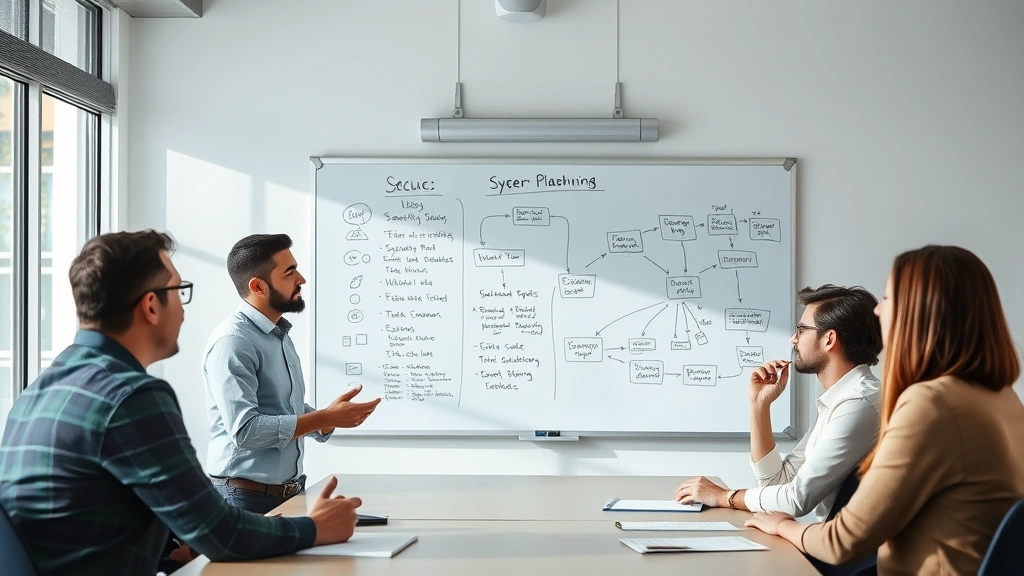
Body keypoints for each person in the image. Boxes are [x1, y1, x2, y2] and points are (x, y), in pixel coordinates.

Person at [0, 230, 362, 575]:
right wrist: (315, 528)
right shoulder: (132, 396)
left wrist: (169, 542)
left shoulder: (42, 389)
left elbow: (87, 512)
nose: (185, 309)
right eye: (180, 290)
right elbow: (222, 534)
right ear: (151, 306)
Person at [746, 245, 1024, 575]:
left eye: (888, 299)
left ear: (921, 310)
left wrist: (783, 527)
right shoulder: (1003, 397)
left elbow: (842, 541)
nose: (879, 312)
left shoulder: (931, 404)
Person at [204, 234, 380, 513]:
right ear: (258, 286)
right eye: (290, 272)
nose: (301, 279)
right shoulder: (233, 342)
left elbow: (281, 408)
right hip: (244, 498)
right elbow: (246, 430)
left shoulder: (279, 335)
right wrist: (323, 417)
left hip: (290, 492)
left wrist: (325, 420)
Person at [675, 285, 883, 521]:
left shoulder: (859, 403)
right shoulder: (838, 400)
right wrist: (759, 405)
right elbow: (777, 483)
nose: (793, 338)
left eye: (801, 329)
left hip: (842, 553)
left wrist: (725, 497)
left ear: (829, 339)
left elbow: (796, 499)